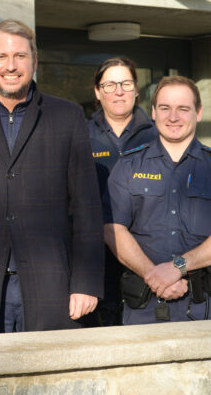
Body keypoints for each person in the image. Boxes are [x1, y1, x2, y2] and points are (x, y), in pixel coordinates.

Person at [0, 19, 104, 334]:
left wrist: (86, 282)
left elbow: (87, 207)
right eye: (1, 57)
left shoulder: (67, 117)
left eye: (20, 56)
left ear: (34, 62)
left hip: (51, 289)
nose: (11, 66)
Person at [105, 75, 211, 324]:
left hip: (208, 306)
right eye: (165, 108)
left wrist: (177, 267)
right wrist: (153, 275)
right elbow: (112, 228)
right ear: (153, 112)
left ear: (198, 113)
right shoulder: (127, 166)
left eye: (183, 109)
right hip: (145, 305)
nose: (173, 117)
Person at [87, 57, 157, 326]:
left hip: (147, 253)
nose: (118, 91)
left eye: (126, 83)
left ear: (137, 89)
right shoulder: (80, 134)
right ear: (97, 91)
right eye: (110, 84)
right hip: (96, 258)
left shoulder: (158, 134)